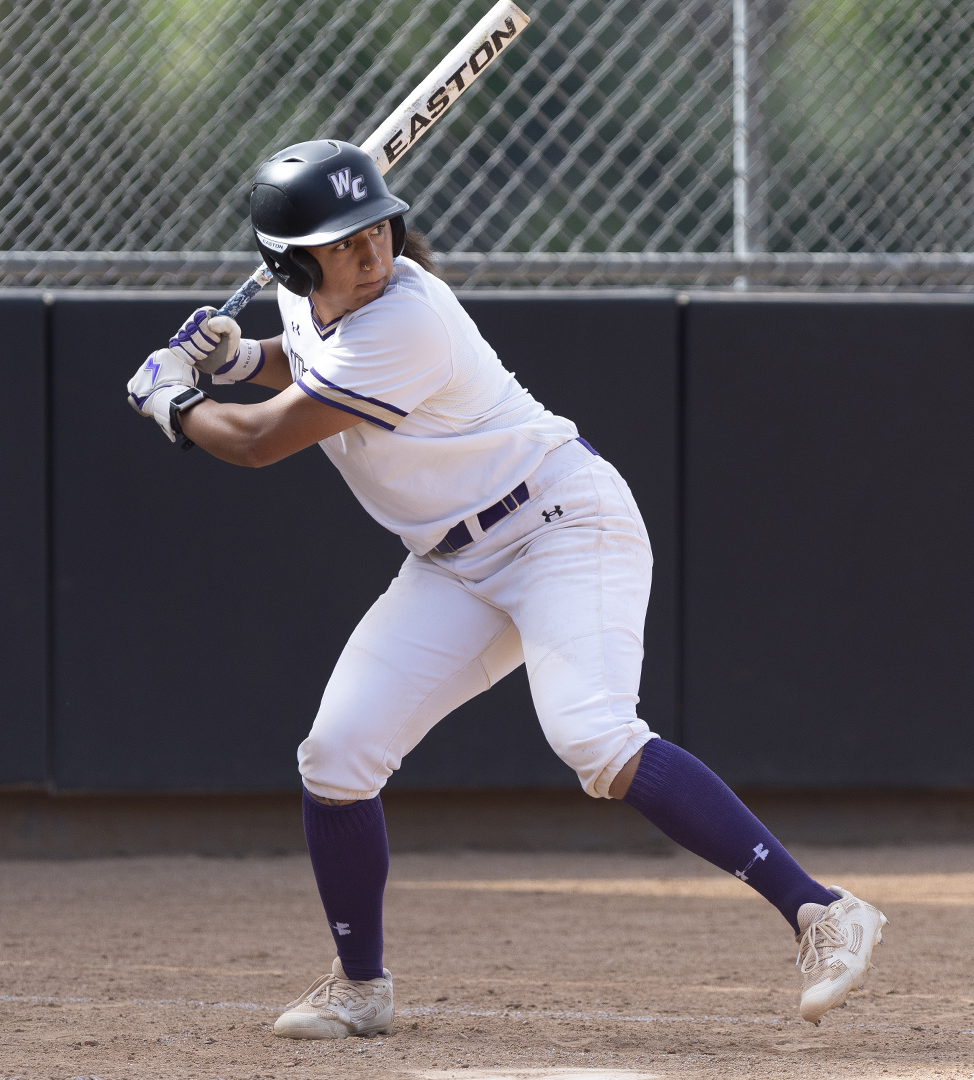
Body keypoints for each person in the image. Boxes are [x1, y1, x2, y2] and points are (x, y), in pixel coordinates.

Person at [127, 140, 885, 1040]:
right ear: (293, 263)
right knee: (336, 754)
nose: (374, 250)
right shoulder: (310, 300)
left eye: (378, 227)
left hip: (562, 525)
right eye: (346, 240)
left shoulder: (407, 314)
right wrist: (241, 357)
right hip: (455, 563)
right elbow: (307, 362)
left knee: (595, 739)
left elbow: (257, 442)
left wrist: (174, 402)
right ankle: (360, 986)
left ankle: (821, 909)